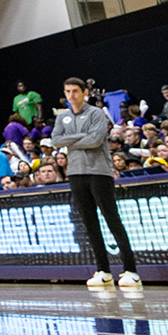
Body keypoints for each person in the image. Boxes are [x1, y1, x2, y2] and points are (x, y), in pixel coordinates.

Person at [55, 76, 141, 287]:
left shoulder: (95, 113)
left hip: (99, 172)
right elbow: (55, 140)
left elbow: (95, 141)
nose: (71, 95)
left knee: (112, 219)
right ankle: (103, 270)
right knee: (89, 223)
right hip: (75, 173)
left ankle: (131, 270)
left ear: (84, 92)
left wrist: (71, 140)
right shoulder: (62, 118)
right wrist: (80, 137)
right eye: (67, 91)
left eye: (75, 91)